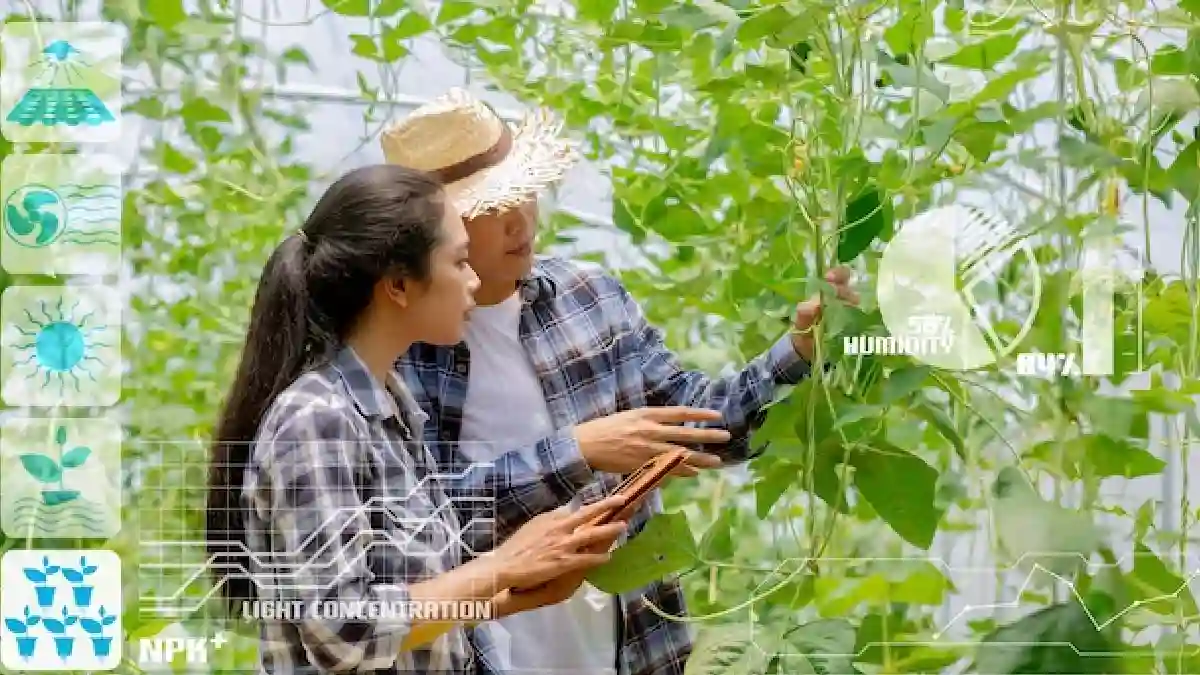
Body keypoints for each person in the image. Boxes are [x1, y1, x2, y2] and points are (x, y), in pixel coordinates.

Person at [380, 89, 859, 675]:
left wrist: (800, 350)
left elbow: (708, 427)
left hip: (631, 649)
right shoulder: (396, 353)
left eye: (522, 191)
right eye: (489, 205)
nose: (517, 219)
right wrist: (579, 452)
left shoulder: (590, 300)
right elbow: (408, 533)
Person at [204, 164, 644, 674]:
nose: (475, 280)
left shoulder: (391, 407)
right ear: (397, 286)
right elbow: (344, 632)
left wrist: (519, 591)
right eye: (459, 262)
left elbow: (405, 610)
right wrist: (505, 564)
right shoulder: (318, 420)